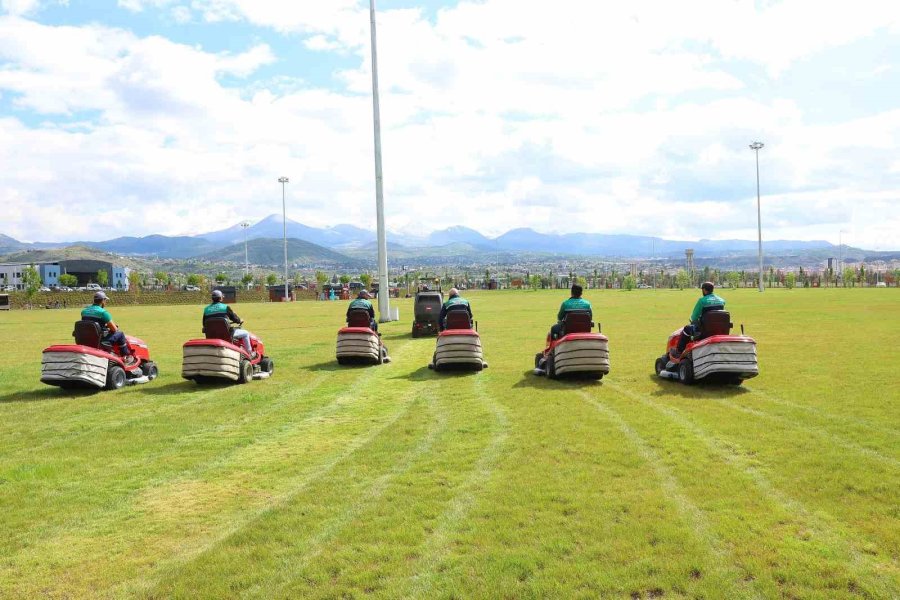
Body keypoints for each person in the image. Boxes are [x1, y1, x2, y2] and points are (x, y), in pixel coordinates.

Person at [81, 291, 137, 366]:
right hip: (99, 340)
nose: (105, 302)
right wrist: (111, 327)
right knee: (120, 334)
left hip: (86, 340)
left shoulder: (84, 311)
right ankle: (126, 356)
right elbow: (114, 329)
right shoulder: (103, 313)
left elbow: (89, 325)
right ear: (103, 301)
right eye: (105, 300)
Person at [671, 281, 726, 357]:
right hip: (719, 329)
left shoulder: (702, 301)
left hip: (704, 331)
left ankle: (679, 351)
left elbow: (694, 317)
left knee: (686, 329)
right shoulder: (722, 301)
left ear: (703, 290)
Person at [203, 289, 253, 357]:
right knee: (245, 333)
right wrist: (239, 320)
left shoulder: (206, 309)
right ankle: (249, 354)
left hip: (211, 336)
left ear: (212, 298)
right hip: (226, 334)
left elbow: (204, 323)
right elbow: (235, 319)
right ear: (221, 298)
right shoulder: (225, 307)